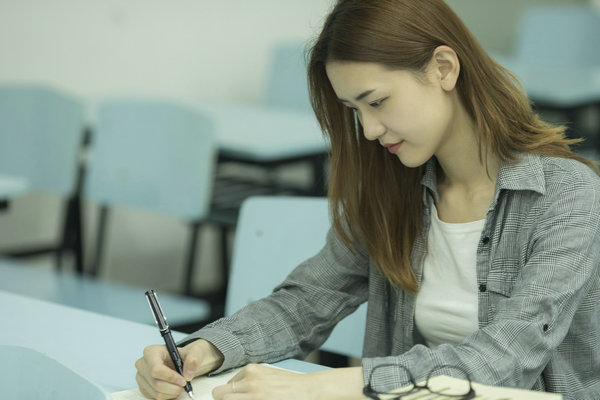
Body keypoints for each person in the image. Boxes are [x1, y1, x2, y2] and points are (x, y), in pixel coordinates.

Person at [134, 0, 600, 399]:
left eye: (376, 102)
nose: (370, 131)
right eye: (354, 111)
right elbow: (307, 302)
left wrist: (329, 385)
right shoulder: (393, 190)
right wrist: (205, 351)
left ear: (443, 68)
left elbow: (509, 357)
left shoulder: (567, 195)